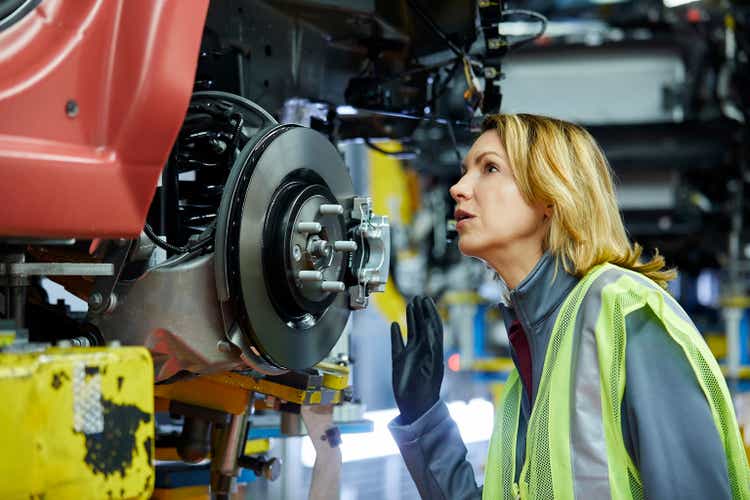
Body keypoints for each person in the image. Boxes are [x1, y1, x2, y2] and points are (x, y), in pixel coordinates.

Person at [387, 113, 750, 499]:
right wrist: (422, 416)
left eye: (489, 168)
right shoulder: (526, 371)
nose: (459, 188)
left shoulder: (625, 314)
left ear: (550, 196)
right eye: (463, 172)